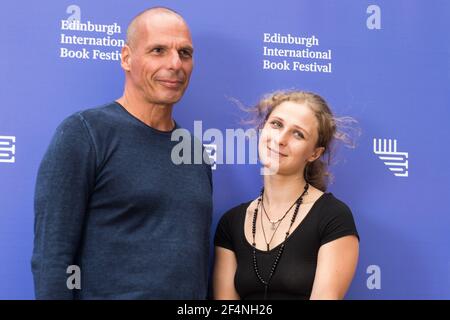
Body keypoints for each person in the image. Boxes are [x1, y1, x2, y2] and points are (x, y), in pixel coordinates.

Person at [32, 7, 213, 299]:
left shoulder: (194, 151)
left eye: (185, 53)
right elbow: (52, 258)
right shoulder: (84, 133)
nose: (175, 64)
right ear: (126, 57)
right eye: (158, 50)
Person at [213, 90, 359, 300]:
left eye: (298, 134)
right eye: (276, 124)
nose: (281, 139)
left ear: (314, 153)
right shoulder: (231, 222)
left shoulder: (333, 217)